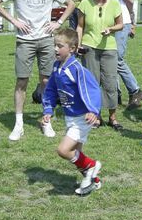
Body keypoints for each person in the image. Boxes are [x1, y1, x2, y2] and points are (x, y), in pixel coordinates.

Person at [0, 0, 76, 141]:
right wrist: (13, 20)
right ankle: (19, 124)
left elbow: (71, 4)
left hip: (46, 39)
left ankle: (46, 121)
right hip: (25, 40)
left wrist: (58, 22)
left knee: (46, 82)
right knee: (22, 82)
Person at [42, 28, 103, 196]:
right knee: (77, 155)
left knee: (63, 150)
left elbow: (92, 89)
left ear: (72, 48)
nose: (55, 49)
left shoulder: (76, 69)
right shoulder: (57, 67)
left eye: (60, 46)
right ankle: (93, 181)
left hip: (82, 118)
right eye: (55, 45)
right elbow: (51, 90)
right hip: (70, 118)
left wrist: (93, 110)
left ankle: (92, 165)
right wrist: (48, 109)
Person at [86, 0, 142, 109]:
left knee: (116, 59)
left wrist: (132, 23)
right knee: (110, 59)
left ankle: (135, 90)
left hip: (122, 23)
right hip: (107, 26)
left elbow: (130, 1)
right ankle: (116, 94)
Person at [77, 0, 124, 131]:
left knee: (110, 82)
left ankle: (113, 116)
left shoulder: (114, 3)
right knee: (93, 83)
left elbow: (121, 24)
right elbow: (80, 26)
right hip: (89, 47)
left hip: (109, 48)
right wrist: (78, 44)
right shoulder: (84, 3)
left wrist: (110, 29)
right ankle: (95, 115)